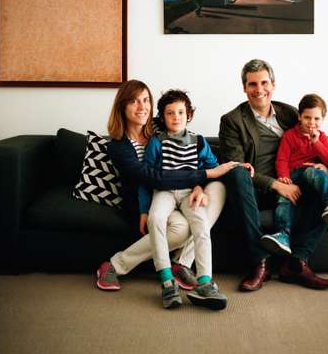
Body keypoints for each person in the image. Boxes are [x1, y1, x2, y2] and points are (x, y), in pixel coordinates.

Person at [96, 80, 237, 293]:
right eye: (134, 102)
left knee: (218, 187)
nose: (142, 107)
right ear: (122, 107)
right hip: (148, 197)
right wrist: (203, 175)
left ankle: (182, 263)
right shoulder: (118, 146)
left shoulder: (161, 125)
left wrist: (199, 185)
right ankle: (116, 264)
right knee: (180, 230)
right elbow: (154, 178)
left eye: (146, 100)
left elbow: (194, 158)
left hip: (185, 193)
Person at [219, 59, 328, 292]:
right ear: (244, 88)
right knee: (237, 174)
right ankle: (259, 261)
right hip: (257, 188)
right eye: (252, 84)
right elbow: (235, 163)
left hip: (294, 180)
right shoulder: (232, 121)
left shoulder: (290, 113)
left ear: (273, 85)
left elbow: (319, 136)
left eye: (264, 83)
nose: (259, 89)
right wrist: (276, 185)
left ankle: (297, 263)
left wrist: (323, 165)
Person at [140, 89, 242, 310]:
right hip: (163, 192)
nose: (176, 117)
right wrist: (143, 210)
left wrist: (200, 187)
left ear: (189, 115)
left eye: (180, 112)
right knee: (156, 219)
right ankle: (167, 281)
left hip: (189, 193)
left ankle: (204, 282)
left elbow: (212, 168)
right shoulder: (157, 142)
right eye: (170, 113)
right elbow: (146, 178)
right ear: (162, 117)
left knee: (201, 224)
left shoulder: (198, 142)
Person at [261, 93, 328, 257]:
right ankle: (283, 234)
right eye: (307, 118)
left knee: (313, 172)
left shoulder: (321, 137)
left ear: (322, 119)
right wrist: (283, 177)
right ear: (299, 116)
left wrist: (315, 142)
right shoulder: (289, 136)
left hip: (311, 177)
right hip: (293, 177)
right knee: (283, 198)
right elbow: (282, 160)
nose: (312, 123)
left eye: (316, 119)